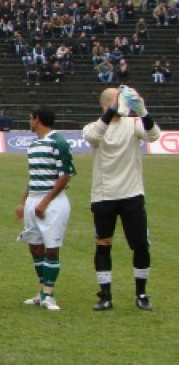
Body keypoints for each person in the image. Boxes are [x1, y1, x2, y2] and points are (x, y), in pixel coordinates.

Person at [82, 86, 161, 311]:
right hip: (104, 195)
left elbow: (154, 136)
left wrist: (143, 110)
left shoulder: (133, 124)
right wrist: (110, 113)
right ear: (105, 104)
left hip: (132, 194)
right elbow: (93, 136)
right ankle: (105, 295)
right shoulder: (94, 126)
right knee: (103, 244)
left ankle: (142, 294)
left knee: (141, 245)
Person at [17, 106, 76, 311]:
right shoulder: (33, 145)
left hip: (53, 202)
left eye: (30, 118)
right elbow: (34, 176)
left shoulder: (58, 142)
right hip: (34, 199)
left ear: (37, 119)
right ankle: (43, 290)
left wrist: (45, 202)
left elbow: (65, 175)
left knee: (51, 248)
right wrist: (24, 202)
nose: (28, 121)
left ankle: (48, 294)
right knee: (35, 247)